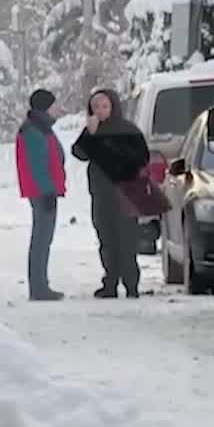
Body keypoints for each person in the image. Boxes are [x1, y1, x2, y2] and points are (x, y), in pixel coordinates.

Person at [71, 88, 150, 299]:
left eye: (104, 106)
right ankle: (110, 282)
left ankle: (131, 284)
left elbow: (142, 157)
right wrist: (90, 133)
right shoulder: (92, 131)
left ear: (113, 107)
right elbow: (79, 153)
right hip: (101, 196)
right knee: (107, 240)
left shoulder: (127, 129)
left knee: (127, 241)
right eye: (95, 107)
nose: (100, 111)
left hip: (125, 194)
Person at [15, 89, 66, 301]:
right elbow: (36, 165)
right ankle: (38, 287)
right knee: (41, 239)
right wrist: (46, 192)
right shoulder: (34, 131)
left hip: (46, 189)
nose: (57, 108)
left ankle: (41, 284)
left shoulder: (42, 128)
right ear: (45, 107)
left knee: (44, 238)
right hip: (42, 192)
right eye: (54, 105)